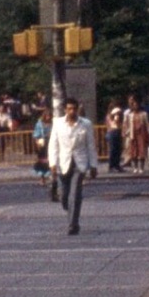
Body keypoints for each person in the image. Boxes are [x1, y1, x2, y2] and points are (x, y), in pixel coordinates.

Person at [46, 100, 98, 236]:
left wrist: (93, 165)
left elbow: (91, 146)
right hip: (63, 163)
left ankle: (73, 224)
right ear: (65, 110)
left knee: (75, 194)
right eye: (69, 109)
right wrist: (52, 163)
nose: (72, 111)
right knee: (64, 196)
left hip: (79, 163)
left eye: (74, 109)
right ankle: (70, 210)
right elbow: (53, 145)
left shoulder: (85, 124)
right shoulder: (57, 123)